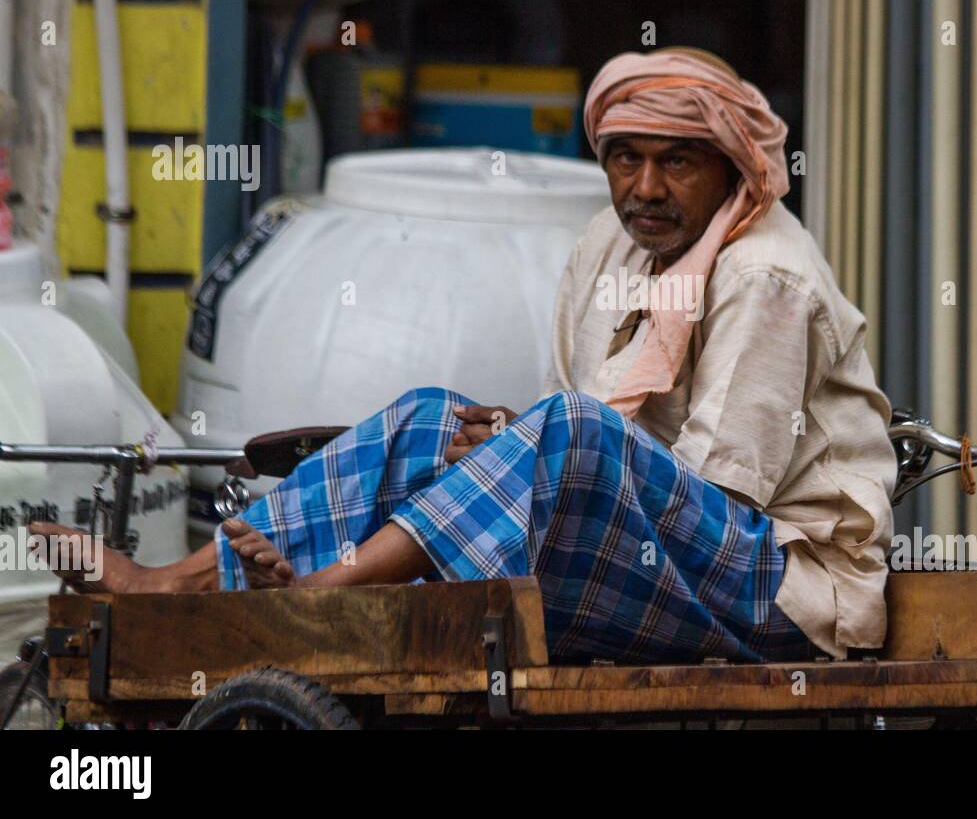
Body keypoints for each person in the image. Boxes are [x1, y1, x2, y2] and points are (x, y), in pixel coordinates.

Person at [32, 47, 896, 664]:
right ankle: (181, 581)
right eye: (625, 159)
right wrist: (508, 440)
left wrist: (546, 441)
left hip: (774, 591)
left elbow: (714, 490)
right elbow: (586, 419)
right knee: (432, 416)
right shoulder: (610, 244)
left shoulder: (766, 277)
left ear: (732, 169)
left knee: (564, 432)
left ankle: (332, 592)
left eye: (678, 164)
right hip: (659, 547)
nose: (645, 189)